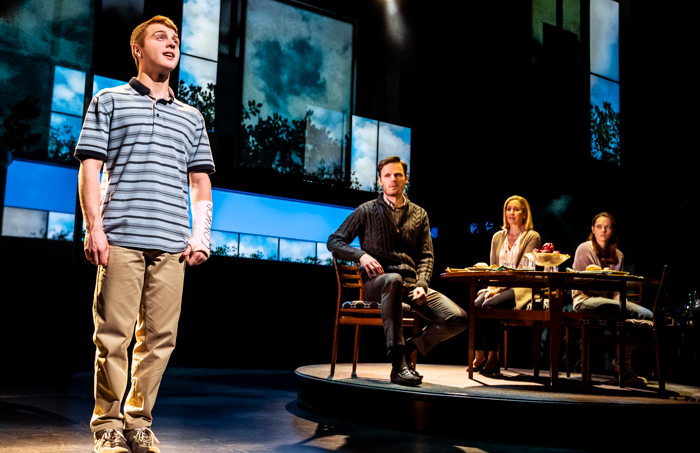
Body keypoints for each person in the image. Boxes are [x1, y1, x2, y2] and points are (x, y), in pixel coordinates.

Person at [75, 16, 215, 453]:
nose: (171, 43)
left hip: (173, 244)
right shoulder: (109, 100)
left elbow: (200, 182)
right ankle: (108, 424)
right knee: (113, 335)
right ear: (137, 49)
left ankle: (138, 420)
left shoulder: (192, 117)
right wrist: (93, 228)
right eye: (160, 37)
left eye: (176, 39)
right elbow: (90, 168)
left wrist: (202, 235)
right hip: (120, 237)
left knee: (159, 340)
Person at [327, 156, 468, 387]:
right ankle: (398, 366)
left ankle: (410, 347)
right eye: (388, 175)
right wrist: (361, 255)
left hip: (411, 286)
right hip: (377, 284)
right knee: (393, 279)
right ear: (380, 181)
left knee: (458, 319)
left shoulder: (420, 214)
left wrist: (422, 285)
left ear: (406, 179)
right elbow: (334, 241)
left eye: (398, 175)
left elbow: (426, 256)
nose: (393, 179)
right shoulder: (366, 210)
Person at [572, 212, 652, 381]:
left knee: (646, 316)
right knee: (637, 313)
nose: (603, 231)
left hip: (608, 302)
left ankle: (622, 362)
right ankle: (623, 365)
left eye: (608, 227)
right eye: (599, 227)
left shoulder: (619, 255)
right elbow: (582, 283)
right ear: (593, 230)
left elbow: (616, 290)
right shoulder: (585, 248)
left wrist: (623, 303)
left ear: (613, 230)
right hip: (584, 300)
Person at [472, 195, 540, 375]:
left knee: (490, 304)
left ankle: (493, 357)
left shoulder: (532, 236)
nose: (511, 212)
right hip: (497, 285)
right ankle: (479, 354)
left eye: (516, 209)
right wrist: (494, 286)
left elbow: (524, 268)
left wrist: (500, 289)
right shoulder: (497, 236)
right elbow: (494, 266)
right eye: (508, 209)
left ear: (524, 214)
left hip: (520, 288)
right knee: (477, 304)